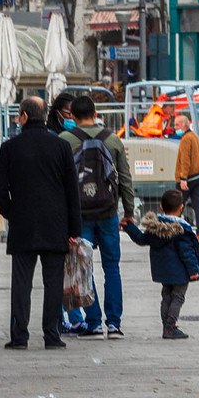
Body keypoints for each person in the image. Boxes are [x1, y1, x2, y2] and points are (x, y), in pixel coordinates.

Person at [0, 93, 82, 350]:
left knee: (21, 283)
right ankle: (52, 336)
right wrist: (73, 228)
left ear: (24, 117)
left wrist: (12, 211)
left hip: (23, 225)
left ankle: (20, 336)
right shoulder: (61, 146)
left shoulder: (10, 147)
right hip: (56, 225)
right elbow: (71, 191)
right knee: (53, 282)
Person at [65, 92, 135, 338]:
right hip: (108, 213)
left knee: (84, 268)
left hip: (79, 215)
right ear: (95, 114)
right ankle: (114, 324)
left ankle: (93, 323)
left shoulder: (66, 139)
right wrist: (129, 211)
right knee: (112, 267)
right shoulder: (113, 140)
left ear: (72, 116)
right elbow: (125, 178)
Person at [123, 187, 199, 339]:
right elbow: (186, 253)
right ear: (181, 208)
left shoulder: (155, 228)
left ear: (161, 208)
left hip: (163, 271)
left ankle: (166, 327)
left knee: (166, 297)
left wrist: (129, 226)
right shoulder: (181, 230)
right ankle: (170, 328)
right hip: (180, 272)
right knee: (178, 298)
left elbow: (140, 239)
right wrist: (193, 271)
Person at [175, 113, 199, 236]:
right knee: (197, 204)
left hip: (188, 178)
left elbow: (185, 160)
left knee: (177, 205)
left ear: (184, 125)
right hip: (198, 176)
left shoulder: (186, 139)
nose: (175, 127)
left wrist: (183, 178)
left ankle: (174, 231)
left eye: (177, 125)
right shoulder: (195, 137)